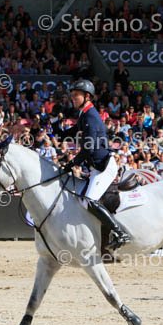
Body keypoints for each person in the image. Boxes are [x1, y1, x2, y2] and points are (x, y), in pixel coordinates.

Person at [61, 79, 130, 251]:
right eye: (72, 95)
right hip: (95, 166)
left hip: (103, 167)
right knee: (82, 200)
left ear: (87, 96)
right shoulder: (84, 114)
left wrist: (73, 163)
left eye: (76, 95)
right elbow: (72, 131)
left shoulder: (90, 116)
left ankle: (120, 232)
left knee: (90, 201)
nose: (73, 98)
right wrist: (56, 126)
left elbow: (89, 147)